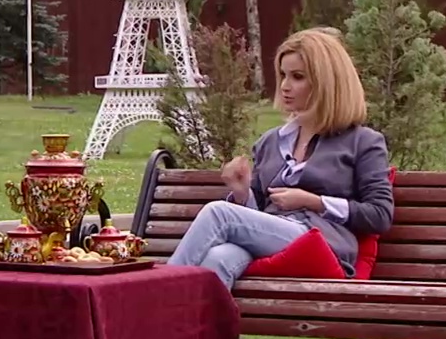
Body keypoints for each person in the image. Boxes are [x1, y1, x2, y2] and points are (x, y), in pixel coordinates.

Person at [167, 27, 394, 289]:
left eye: (298, 77)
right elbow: (258, 213)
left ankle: (157, 294)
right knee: (218, 258)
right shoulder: (270, 141)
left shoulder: (363, 142)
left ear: (326, 83)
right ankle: (188, 317)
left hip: (323, 243)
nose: (285, 86)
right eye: (283, 75)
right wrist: (242, 194)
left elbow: (379, 215)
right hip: (273, 236)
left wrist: (314, 202)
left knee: (218, 213)